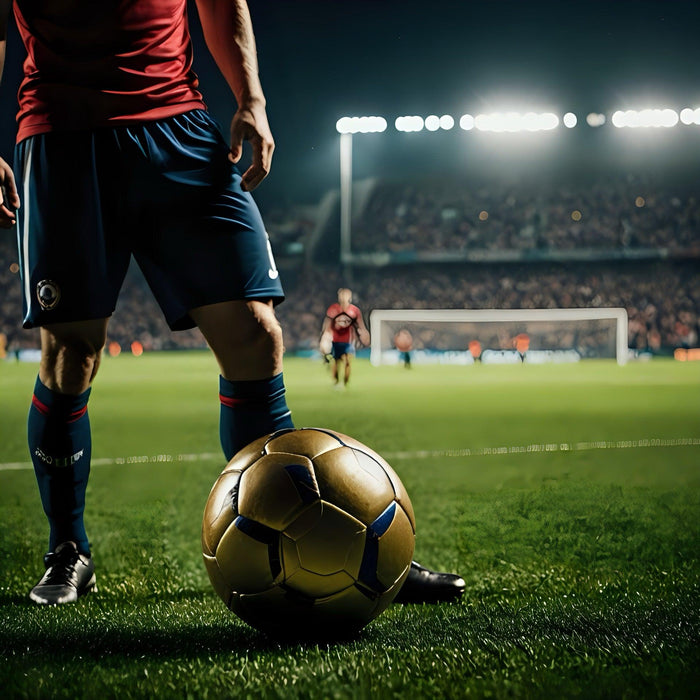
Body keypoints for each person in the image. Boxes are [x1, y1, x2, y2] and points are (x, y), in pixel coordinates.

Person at [0, 0, 463, 607]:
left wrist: (252, 99)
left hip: (177, 127)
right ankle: (68, 550)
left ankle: (327, 541)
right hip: (62, 135)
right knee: (71, 354)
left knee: (254, 331)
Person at [320, 288, 370, 390]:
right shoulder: (333, 309)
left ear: (350, 297)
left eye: (346, 296)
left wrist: (364, 333)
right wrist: (325, 335)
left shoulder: (354, 311)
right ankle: (337, 381)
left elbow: (360, 325)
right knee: (337, 362)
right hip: (335, 340)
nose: (343, 298)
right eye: (342, 296)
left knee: (347, 361)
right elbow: (328, 324)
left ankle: (346, 382)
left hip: (348, 341)